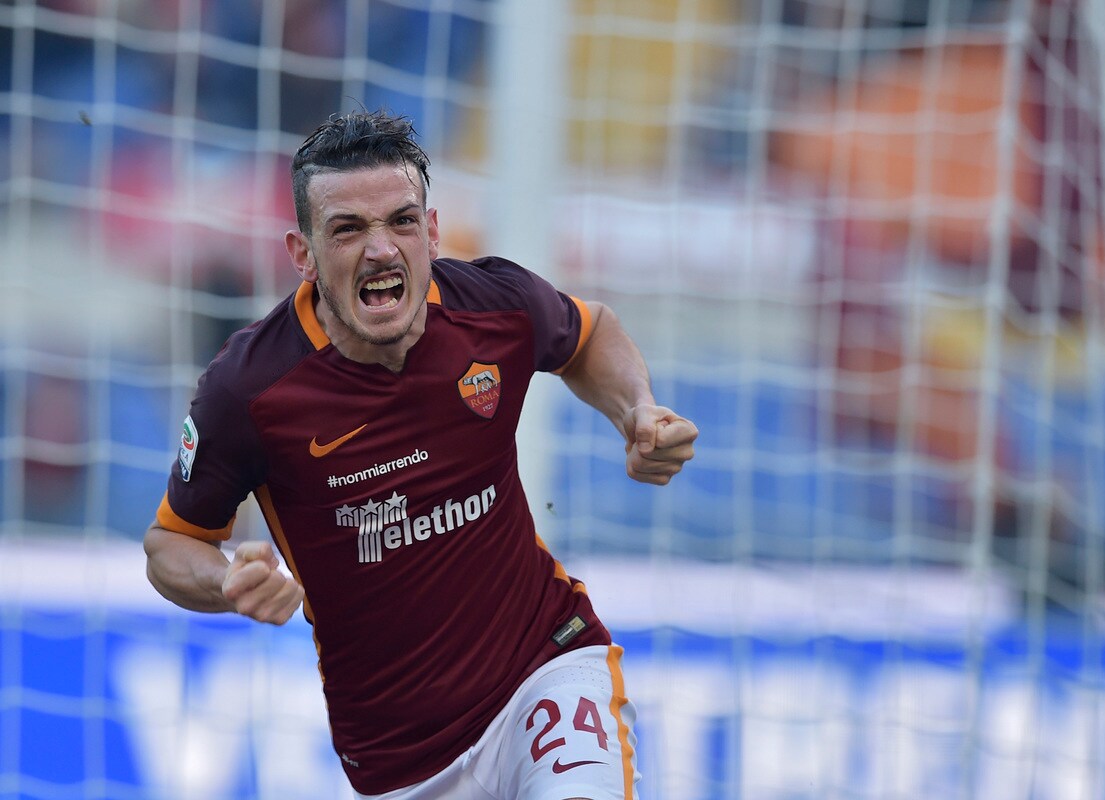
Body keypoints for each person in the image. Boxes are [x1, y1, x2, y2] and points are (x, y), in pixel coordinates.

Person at [142, 110, 699, 800]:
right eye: (348, 229)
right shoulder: (249, 388)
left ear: (432, 232)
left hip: (546, 667)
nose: (381, 250)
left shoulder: (494, 306)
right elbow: (170, 545)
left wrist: (636, 409)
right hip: (402, 759)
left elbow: (589, 333)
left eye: (402, 221)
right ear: (303, 254)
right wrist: (227, 582)